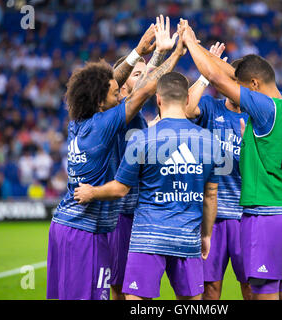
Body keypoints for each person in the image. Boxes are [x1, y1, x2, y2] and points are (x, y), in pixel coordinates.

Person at [46, 19, 184, 300]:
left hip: (64, 226)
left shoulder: (79, 120)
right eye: (114, 93)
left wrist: (138, 52)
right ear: (100, 102)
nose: (120, 92)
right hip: (86, 232)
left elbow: (113, 83)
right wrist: (177, 53)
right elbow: (143, 91)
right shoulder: (102, 126)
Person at [180, 19, 282, 300]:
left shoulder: (262, 108)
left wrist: (189, 42)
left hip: (266, 215)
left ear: (255, 86)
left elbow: (217, 79)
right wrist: (204, 50)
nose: (245, 94)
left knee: (264, 293)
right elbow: (236, 75)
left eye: (247, 89)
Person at [74, 71, 219, 300]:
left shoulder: (141, 139)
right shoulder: (210, 141)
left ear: (158, 99)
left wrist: (92, 191)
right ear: (188, 99)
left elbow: (121, 189)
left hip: (147, 237)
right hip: (187, 236)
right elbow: (210, 196)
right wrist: (206, 235)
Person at [106, 18, 177, 299]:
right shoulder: (117, 113)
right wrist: (161, 53)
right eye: (137, 74)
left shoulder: (139, 121)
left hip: (142, 214)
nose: (144, 78)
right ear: (121, 87)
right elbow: (145, 87)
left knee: (136, 288)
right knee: (119, 287)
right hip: (120, 214)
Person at [185, 43, 251, 300]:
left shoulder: (255, 117)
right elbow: (187, 108)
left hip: (245, 215)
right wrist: (205, 73)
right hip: (212, 217)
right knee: (210, 287)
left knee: (250, 286)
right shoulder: (212, 108)